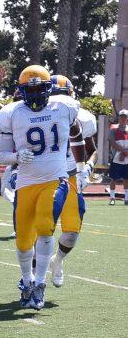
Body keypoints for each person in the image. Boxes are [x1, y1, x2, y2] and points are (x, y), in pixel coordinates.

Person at [0, 65, 84, 311]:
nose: (34, 94)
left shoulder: (64, 107)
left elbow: (77, 135)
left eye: (38, 88)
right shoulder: (12, 113)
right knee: (24, 240)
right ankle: (27, 282)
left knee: (45, 227)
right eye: (29, 89)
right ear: (21, 91)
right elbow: (3, 155)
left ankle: (40, 284)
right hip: (26, 183)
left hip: (55, 179)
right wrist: (15, 157)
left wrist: (82, 165)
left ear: (48, 89)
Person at [48, 75, 97, 286]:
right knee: (38, 229)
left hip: (70, 177)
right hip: (44, 176)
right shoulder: (35, 114)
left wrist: (87, 167)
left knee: (70, 236)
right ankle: (31, 277)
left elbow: (92, 150)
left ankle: (57, 261)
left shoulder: (83, 117)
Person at [107, 109, 128, 206]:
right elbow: (112, 142)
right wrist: (123, 152)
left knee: (126, 179)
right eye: (121, 116)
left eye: (125, 116)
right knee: (113, 178)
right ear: (119, 118)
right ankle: (112, 198)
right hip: (116, 158)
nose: (123, 118)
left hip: (126, 158)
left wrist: (125, 154)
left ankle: (127, 199)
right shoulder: (114, 129)